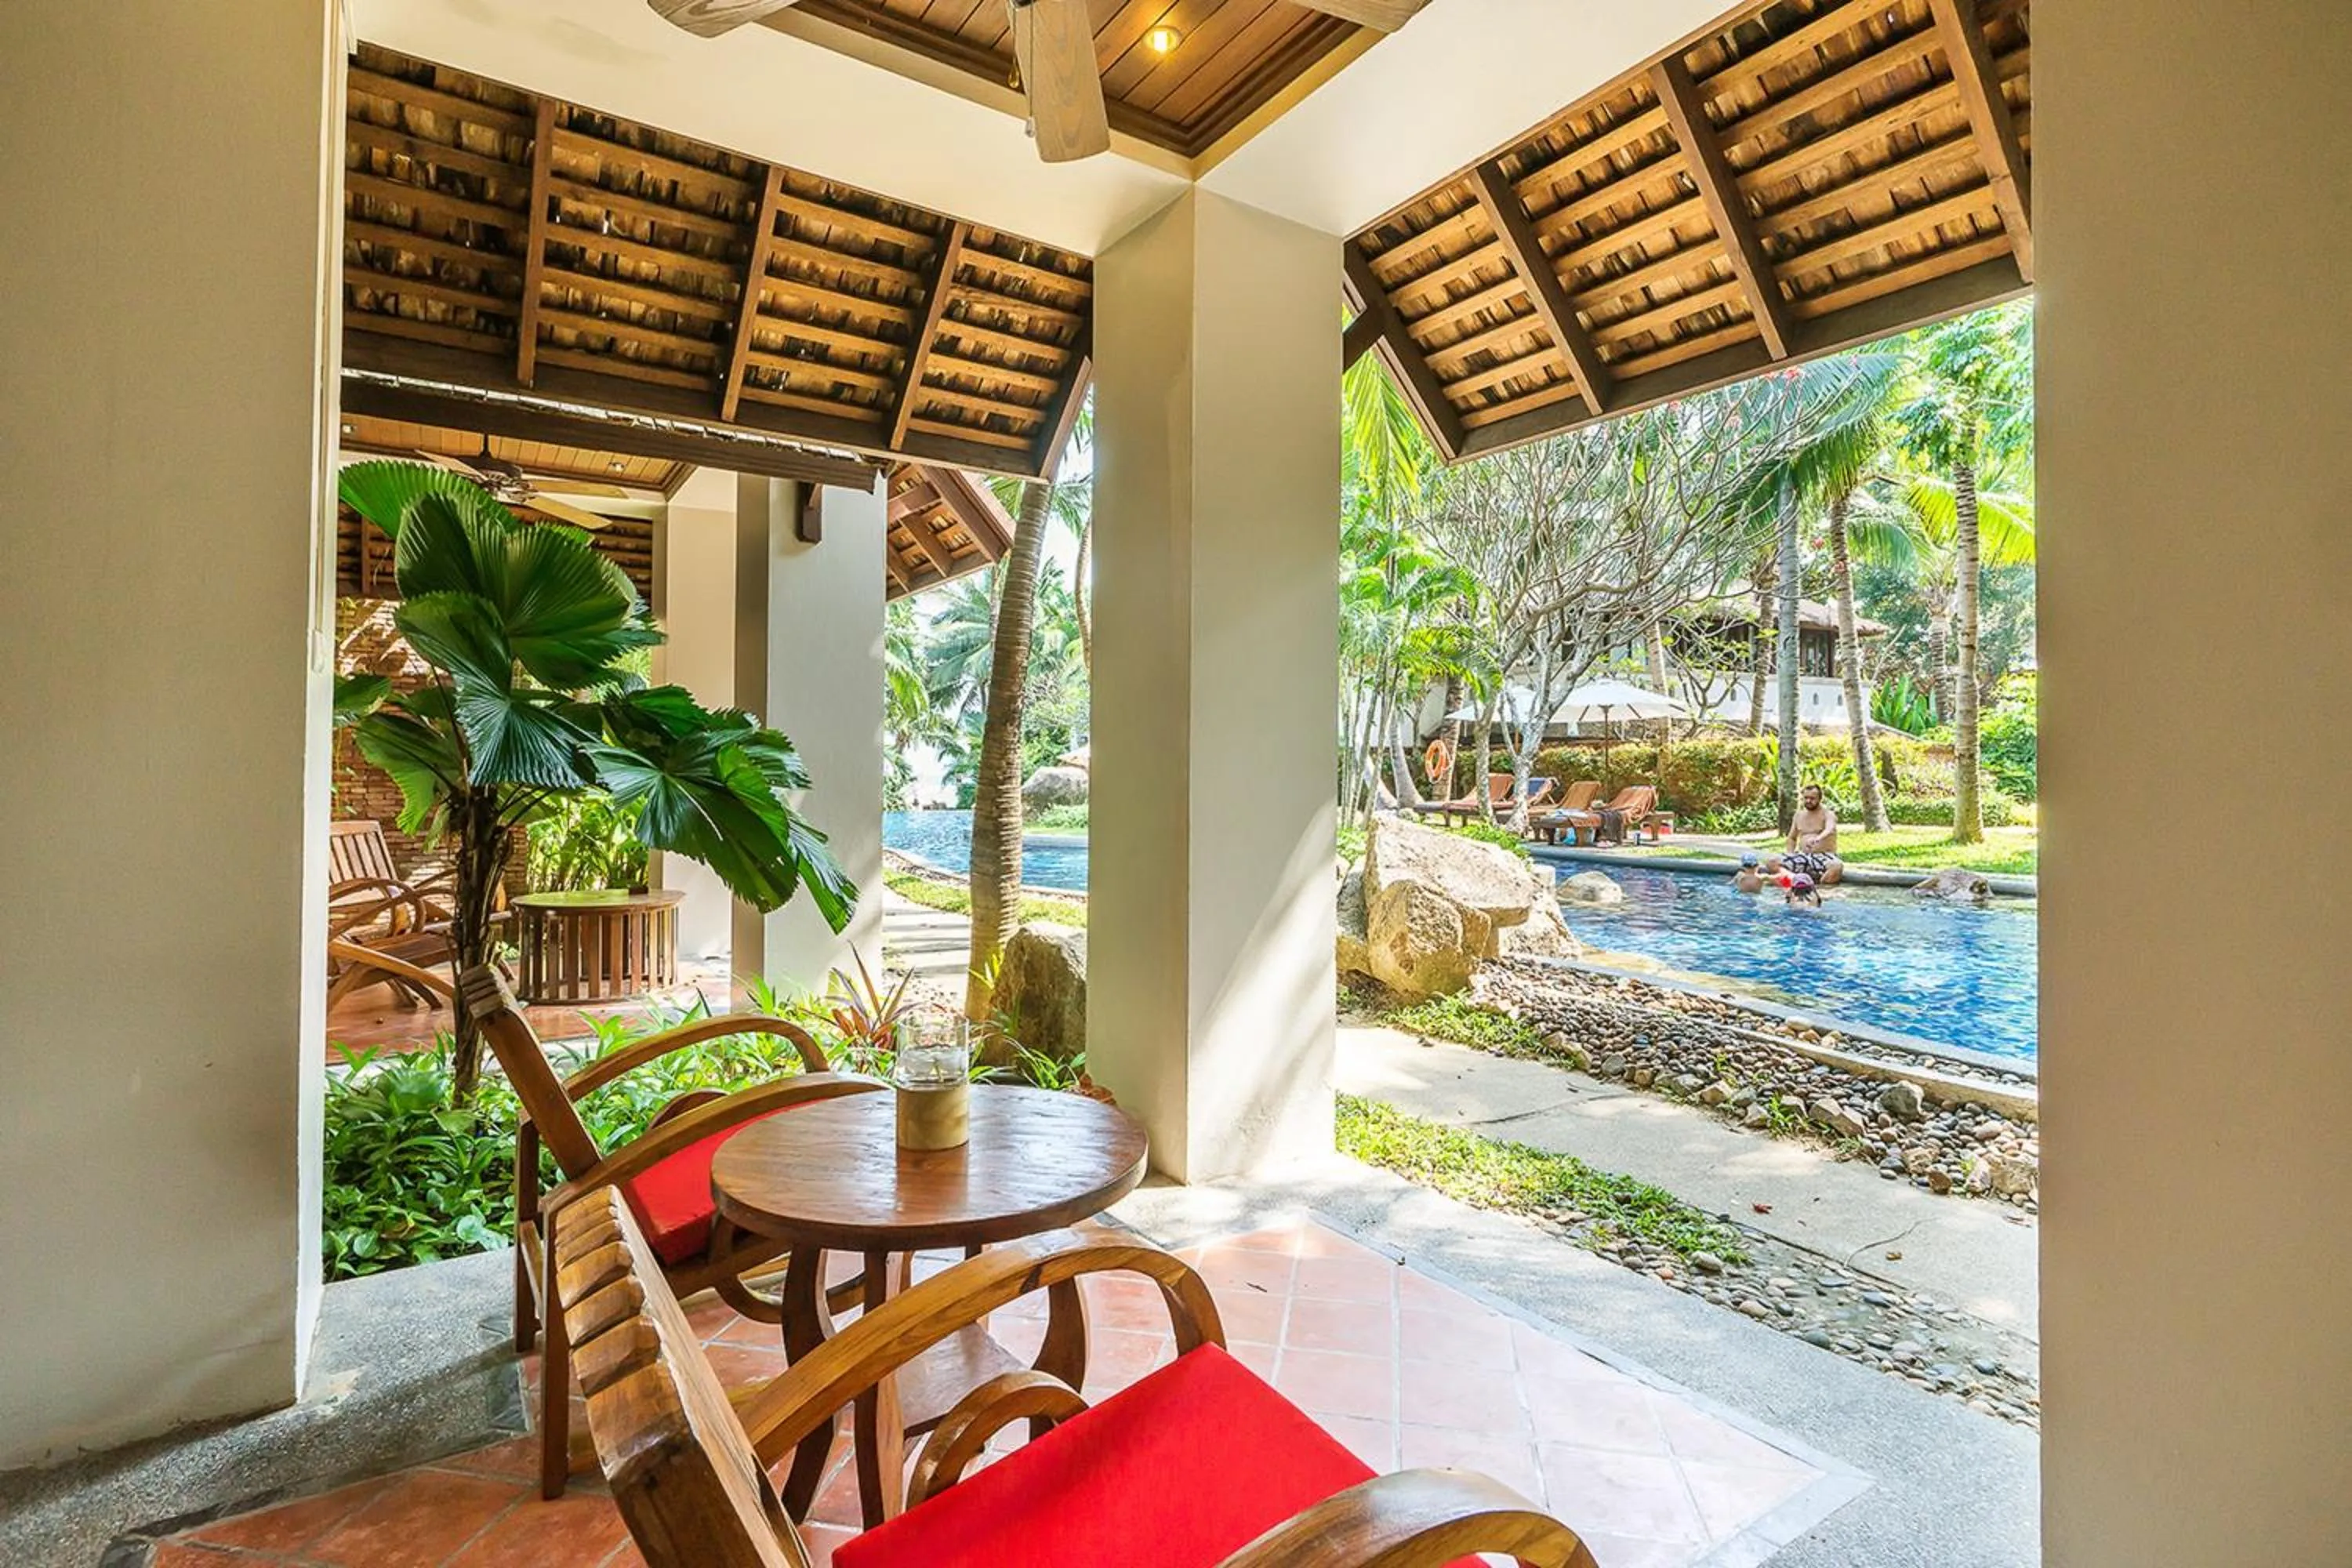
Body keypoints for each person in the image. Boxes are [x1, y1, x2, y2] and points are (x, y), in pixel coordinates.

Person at [1784, 783, 1843, 886]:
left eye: (1812, 798)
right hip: (1803, 856)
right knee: (1773, 862)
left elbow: (1829, 828)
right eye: (1806, 798)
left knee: (1837, 866)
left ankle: (1820, 889)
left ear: (1820, 799)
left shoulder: (1828, 814)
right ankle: (1795, 886)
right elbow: (1792, 838)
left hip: (1824, 856)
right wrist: (1790, 854)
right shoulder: (1798, 815)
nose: (1808, 801)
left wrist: (1818, 838)